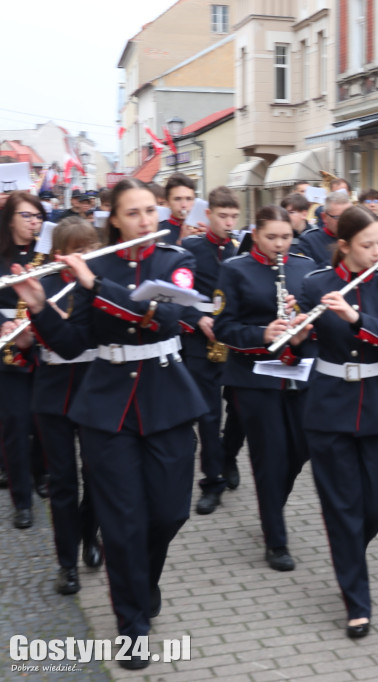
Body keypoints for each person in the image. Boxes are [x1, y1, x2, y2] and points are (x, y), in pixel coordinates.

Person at [12, 178, 205, 669]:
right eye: (133, 213)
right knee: (122, 523)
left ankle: (142, 579)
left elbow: (163, 321)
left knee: (169, 514)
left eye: (150, 211)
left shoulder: (176, 261)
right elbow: (73, 345)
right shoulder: (92, 265)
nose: (145, 220)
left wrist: (98, 287)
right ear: (114, 219)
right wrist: (37, 307)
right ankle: (131, 626)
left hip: (167, 398)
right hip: (107, 406)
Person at [300, 205, 378, 639]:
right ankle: (356, 600)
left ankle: (348, 554)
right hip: (329, 407)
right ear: (343, 246)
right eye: (367, 245)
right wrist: (291, 332)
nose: (377, 251)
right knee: (342, 506)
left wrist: (356, 319)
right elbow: (295, 350)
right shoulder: (315, 284)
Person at [213, 205, 317, 572]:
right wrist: (263, 333)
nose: (279, 245)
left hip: (297, 372)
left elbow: (316, 321)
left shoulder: (304, 267)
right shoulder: (235, 269)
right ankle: (276, 539)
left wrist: (304, 326)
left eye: (286, 237)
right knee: (269, 457)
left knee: (300, 450)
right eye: (271, 237)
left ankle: (272, 504)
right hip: (254, 376)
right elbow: (224, 327)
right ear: (255, 235)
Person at [22, 217, 103, 594]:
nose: (85, 256)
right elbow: (37, 346)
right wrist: (24, 333)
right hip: (52, 392)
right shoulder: (45, 283)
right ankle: (66, 562)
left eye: (90, 248)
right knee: (62, 483)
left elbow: (85, 337)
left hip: (93, 388)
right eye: (77, 250)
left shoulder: (99, 284)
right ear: (60, 253)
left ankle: (90, 536)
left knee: (99, 476)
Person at [180, 187, 241, 515]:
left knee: (240, 413)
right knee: (208, 416)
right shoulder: (190, 248)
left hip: (234, 340)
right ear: (208, 215)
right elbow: (179, 292)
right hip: (200, 341)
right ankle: (212, 481)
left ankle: (227, 457)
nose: (229, 222)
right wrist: (196, 318)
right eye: (223, 216)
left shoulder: (239, 250)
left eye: (233, 217)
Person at [0, 191, 48, 529]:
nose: (34, 222)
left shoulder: (49, 255)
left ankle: (43, 474)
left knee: (42, 420)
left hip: (44, 347)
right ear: (10, 220)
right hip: (7, 351)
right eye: (27, 216)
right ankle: (22, 499)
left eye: (38, 216)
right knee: (15, 424)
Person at [299, 190, 352, 267]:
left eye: (348, 216)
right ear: (324, 217)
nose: (344, 221)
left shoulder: (358, 237)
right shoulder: (309, 241)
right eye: (338, 217)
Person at [159, 173, 196, 246]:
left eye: (189, 199)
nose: (184, 205)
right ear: (168, 201)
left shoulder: (200, 227)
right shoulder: (159, 231)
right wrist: (182, 241)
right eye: (177, 199)